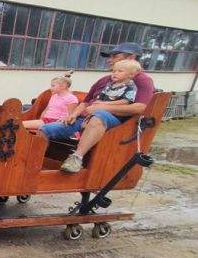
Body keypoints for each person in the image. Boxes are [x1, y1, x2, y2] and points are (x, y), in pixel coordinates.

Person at [36, 42, 155, 173]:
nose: (109, 60)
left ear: (131, 58)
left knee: (99, 116)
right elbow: (85, 102)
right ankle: (33, 165)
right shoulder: (105, 80)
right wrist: (73, 116)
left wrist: (101, 108)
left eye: (115, 57)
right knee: (45, 129)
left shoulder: (142, 81)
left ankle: (76, 158)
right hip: (84, 120)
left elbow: (138, 108)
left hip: (112, 126)